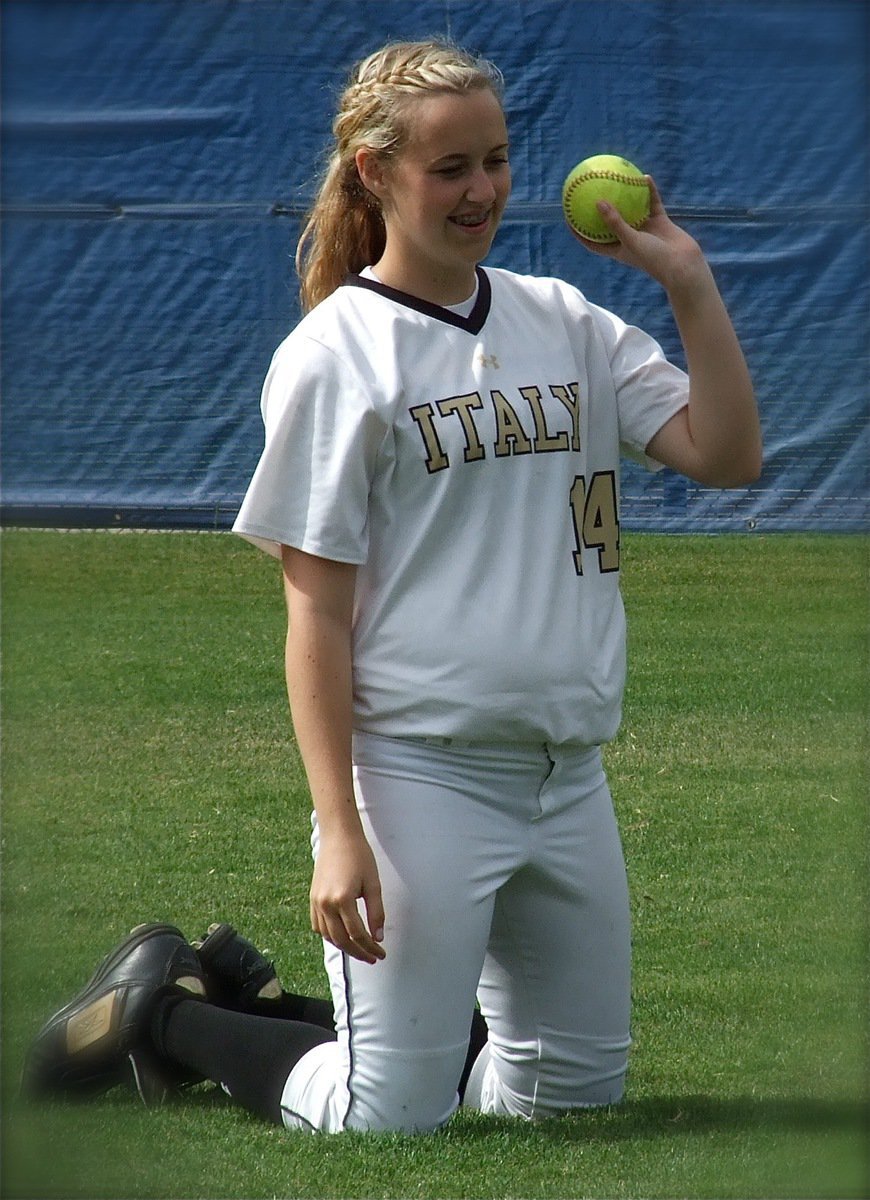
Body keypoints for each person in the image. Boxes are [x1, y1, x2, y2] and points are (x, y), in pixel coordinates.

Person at [23, 38, 761, 1133]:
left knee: (567, 1100)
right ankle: (161, 1014)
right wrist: (338, 825)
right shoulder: (340, 353)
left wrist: (689, 280)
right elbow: (314, 613)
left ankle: (308, 1008)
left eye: (497, 159)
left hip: (567, 771)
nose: (483, 190)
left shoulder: (562, 316)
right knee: (384, 1115)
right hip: (420, 774)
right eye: (450, 167)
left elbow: (727, 455)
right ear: (375, 173)